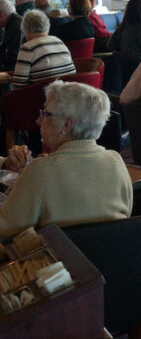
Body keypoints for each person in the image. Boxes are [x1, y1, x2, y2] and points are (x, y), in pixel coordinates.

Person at [0, 81, 132, 236]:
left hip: (59, 258)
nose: (38, 120)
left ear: (66, 125)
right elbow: (125, 216)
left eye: (45, 114)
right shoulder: (116, 161)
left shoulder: (41, 169)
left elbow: (4, 228)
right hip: (109, 255)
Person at [12, 11, 75, 88]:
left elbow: (18, 85)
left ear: (25, 29)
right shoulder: (59, 42)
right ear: (47, 26)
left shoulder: (28, 48)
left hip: (44, 97)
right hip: (67, 94)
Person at [0, 0, 23, 71]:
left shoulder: (16, 26)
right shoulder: (14, 22)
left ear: (0, 14)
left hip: (14, 72)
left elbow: (12, 57)